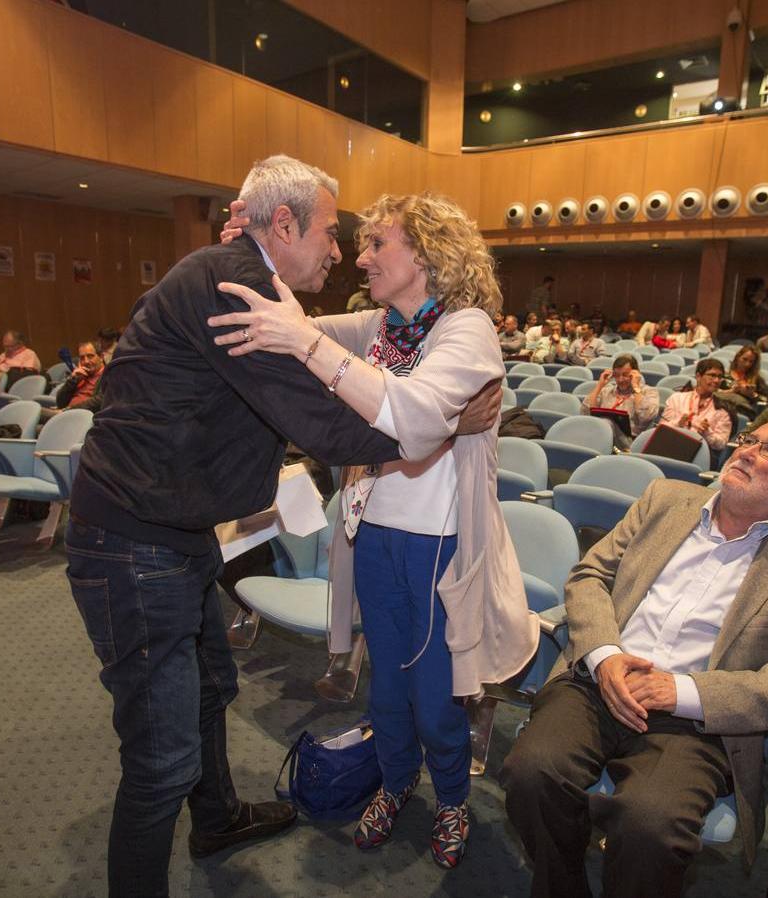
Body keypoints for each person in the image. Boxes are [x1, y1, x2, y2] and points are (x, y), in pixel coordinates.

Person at [64, 155, 499, 897]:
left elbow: (288, 343)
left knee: (210, 689)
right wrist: (439, 427)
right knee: (160, 756)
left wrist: (427, 417)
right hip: (138, 542)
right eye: (335, 234)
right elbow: (327, 427)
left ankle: (219, 817)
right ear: (286, 224)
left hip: (174, 533)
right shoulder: (237, 285)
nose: (345, 252)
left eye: (367, 242)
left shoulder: (238, 282)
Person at [212, 191, 537, 868]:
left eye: (377, 243)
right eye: (358, 244)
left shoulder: (465, 328)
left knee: (434, 695)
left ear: (425, 252)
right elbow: (288, 317)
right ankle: (395, 785)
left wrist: (307, 343)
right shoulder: (381, 327)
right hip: (376, 536)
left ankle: (449, 801)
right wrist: (244, 251)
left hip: (439, 548)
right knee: (385, 685)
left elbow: (414, 418)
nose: (360, 258)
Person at [500, 415, 768, 898]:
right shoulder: (665, 500)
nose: (746, 451)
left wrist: (682, 691)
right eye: (750, 440)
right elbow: (589, 577)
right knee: (531, 773)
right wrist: (605, 656)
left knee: (650, 824)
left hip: (696, 722)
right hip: (598, 683)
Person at [582, 354, 660, 450]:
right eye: (617, 375)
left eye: (625, 375)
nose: (620, 379)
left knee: (607, 423)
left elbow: (646, 416)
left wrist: (635, 386)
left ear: (636, 373)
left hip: (630, 443)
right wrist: (599, 385)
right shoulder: (606, 391)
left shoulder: (649, 392)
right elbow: (585, 412)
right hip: (600, 438)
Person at [660, 358, 732, 452]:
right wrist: (678, 423)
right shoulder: (676, 398)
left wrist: (707, 432)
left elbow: (721, 444)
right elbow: (661, 429)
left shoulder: (723, 410)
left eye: (720, 377)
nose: (716, 380)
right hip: (670, 445)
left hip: (700, 452)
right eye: (712, 375)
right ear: (698, 376)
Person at [54, 340, 106, 410]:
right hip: (66, 413)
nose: (86, 361)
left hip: (83, 417)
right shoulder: (80, 376)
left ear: (101, 357)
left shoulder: (109, 375)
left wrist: (68, 410)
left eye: (90, 356)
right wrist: (72, 380)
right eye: (82, 358)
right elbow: (60, 402)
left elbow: (100, 400)